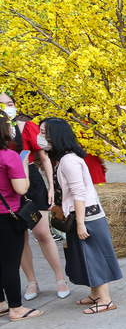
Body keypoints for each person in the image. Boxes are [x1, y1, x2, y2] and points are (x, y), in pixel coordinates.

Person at [45, 118, 122, 314]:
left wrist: (80, 224)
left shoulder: (69, 161)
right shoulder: (64, 159)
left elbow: (79, 193)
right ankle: (96, 294)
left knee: (95, 257)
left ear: (56, 135)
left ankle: (105, 300)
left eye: (44, 133)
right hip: (80, 215)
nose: (40, 137)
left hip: (87, 217)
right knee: (85, 256)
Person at [0, 93, 69, 300]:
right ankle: (32, 282)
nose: (7, 107)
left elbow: (43, 157)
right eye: (2, 104)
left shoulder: (26, 126)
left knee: (43, 233)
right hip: (8, 183)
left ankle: (60, 278)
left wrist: (50, 186)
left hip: (31, 179)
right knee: (19, 238)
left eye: (10, 103)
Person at [0, 113, 43, 321]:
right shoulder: (8, 156)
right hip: (7, 216)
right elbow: (21, 188)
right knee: (9, 262)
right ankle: (16, 308)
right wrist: (23, 166)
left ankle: (1, 303)